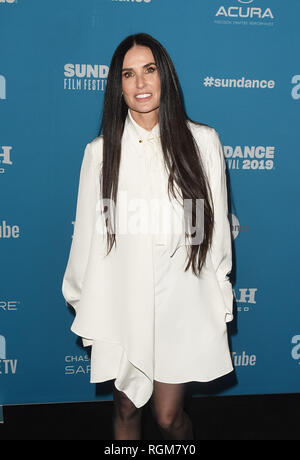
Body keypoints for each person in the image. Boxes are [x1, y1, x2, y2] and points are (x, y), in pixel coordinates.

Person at [62, 33, 234, 440]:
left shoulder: (203, 143)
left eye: (149, 70)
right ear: (118, 87)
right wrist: (84, 298)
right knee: (125, 405)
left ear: (165, 77)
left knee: (169, 417)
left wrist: (220, 290)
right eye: (128, 74)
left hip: (181, 298)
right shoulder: (100, 153)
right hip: (122, 298)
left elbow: (214, 233)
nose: (140, 83)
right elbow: (87, 233)